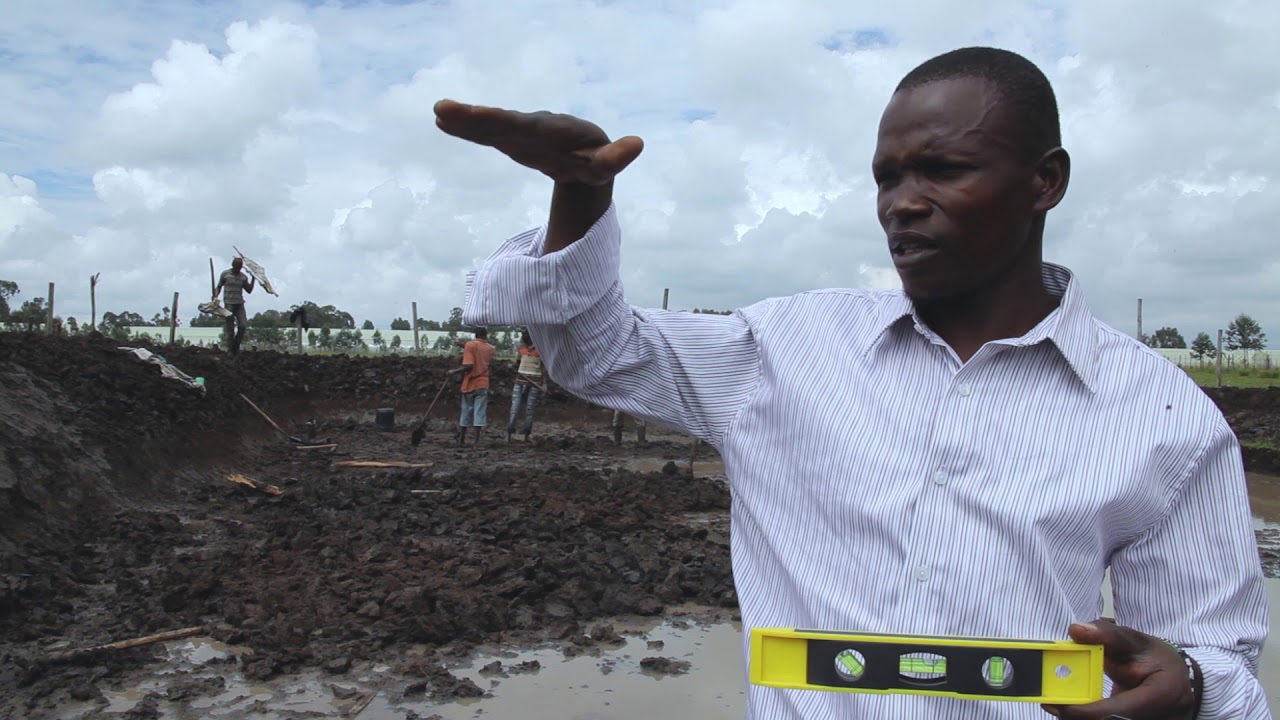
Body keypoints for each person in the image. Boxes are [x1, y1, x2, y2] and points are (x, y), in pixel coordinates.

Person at [434, 47, 1268, 720]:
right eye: (887, 177)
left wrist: (1188, 687)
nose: (902, 204)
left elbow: (1219, 662)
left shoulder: (1164, 419)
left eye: (941, 169)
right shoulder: (782, 350)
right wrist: (581, 197)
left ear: (1045, 181)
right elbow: (597, 353)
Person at [449, 326, 495, 445]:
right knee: (479, 412)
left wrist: (454, 371)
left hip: (470, 382)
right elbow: (478, 349)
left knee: (466, 410)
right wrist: (462, 345)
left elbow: (469, 365)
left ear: (475, 335)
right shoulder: (490, 348)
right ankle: (476, 441)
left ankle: (462, 439)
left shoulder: (470, 345)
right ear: (486, 335)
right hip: (483, 383)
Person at [507, 329, 547, 441]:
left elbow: (543, 368)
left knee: (530, 409)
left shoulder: (540, 350)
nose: (524, 338)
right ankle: (510, 433)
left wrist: (544, 382)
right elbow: (518, 363)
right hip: (520, 381)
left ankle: (526, 434)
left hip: (535, 383)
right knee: (515, 408)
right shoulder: (521, 349)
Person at [214, 257, 256, 355]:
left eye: (240, 268)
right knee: (230, 329)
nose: (238, 269)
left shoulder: (243, 277)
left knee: (242, 326)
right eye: (237, 267)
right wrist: (215, 296)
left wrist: (253, 278)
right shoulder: (225, 274)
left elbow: (249, 290)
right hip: (229, 304)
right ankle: (230, 351)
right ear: (233, 265)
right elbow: (219, 286)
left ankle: (235, 347)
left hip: (239, 304)